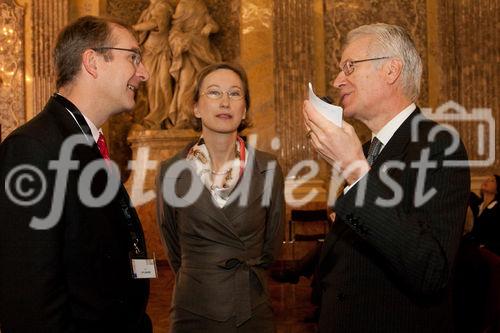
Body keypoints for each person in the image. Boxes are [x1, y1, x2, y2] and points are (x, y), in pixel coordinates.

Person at [303, 23, 470, 332]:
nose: (338, 80)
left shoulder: (438, 145)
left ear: (391, 70)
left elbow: (431, 270)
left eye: (349, 67)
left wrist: (354, 170)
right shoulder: (367, 149)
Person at [0, 16, 152, 332]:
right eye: (133, 58)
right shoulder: (33, 148)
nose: (143, 73)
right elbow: (31, 301)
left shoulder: (86, 140)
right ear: (93, 62)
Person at [157, 62, 284, 332]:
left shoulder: (268, 168)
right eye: (214, 93)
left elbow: (271, 246)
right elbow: (172, 246)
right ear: (195, 107)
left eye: (235, 94)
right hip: (193, 307)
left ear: (245, 108)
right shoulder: (171, 172)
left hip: (251, 306)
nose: (225, 102)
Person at [167, 0, 222, 128]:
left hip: (202, 51)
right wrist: (181, 41)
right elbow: (175, 29)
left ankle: (208, 118)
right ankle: (184, 118)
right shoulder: (183, 5)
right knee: (186, 84)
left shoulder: (200, 5)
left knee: (205, 86)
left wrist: (209, 26)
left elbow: (213, 25)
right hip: (189, 51)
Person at [133, 0, 175, 129]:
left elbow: (156, 23)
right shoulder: (149, 9)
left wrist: (134, 27)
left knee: (164, 83)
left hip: (162, 51)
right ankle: (154, 119)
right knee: (151, 85)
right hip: (149, 52)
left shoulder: (163, 6)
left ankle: (167, 117)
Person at [467, 174, 500, 255]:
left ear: (498, 189)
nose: (486, 181)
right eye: (486, 179)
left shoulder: (498, 207)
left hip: (490, 254)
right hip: (473, 252)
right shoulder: (476, 205)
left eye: (492, 180)